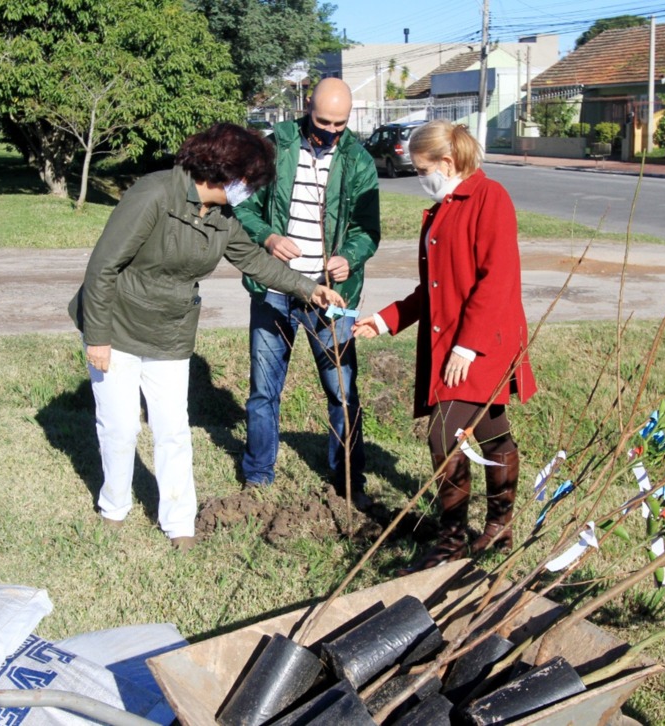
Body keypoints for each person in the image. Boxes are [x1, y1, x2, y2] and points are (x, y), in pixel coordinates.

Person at [68, 123, 344, 552]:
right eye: (251, 182)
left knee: (173, 429)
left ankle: (179, 522)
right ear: (227, 173)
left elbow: (255, 261)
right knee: (120, 427)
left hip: (171, 331)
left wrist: (309, 288)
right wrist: (97, 337)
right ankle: (114, 508)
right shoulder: (154, 194)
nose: (251, 191)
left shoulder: (221, 216)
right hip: (117, 325)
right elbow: (103, 266)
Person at [352, 120, 537, 573]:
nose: (420, 178)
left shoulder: (490, 199)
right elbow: (431, 289)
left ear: (447, 162)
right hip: (455, 342)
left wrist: (468, 347)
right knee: (493, 433)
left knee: (444, 435)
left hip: (482, 344)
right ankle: (501, 526)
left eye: (420, 169)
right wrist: (385, 319)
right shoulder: (441, 211)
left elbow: (498, 280)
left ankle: (453, 538)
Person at [233, 78, 380, 509]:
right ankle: (258, 477)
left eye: (340, 124)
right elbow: (240, 203)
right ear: (305, 107)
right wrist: (268, 237)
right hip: (274, 288)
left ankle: (348, 480)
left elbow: (368, 231)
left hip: (330, 297)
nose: (331, 132)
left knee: (343, 390)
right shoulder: (272, 147)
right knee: (263, 390)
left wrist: (349, 257)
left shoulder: (359, 160)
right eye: (322, 122)